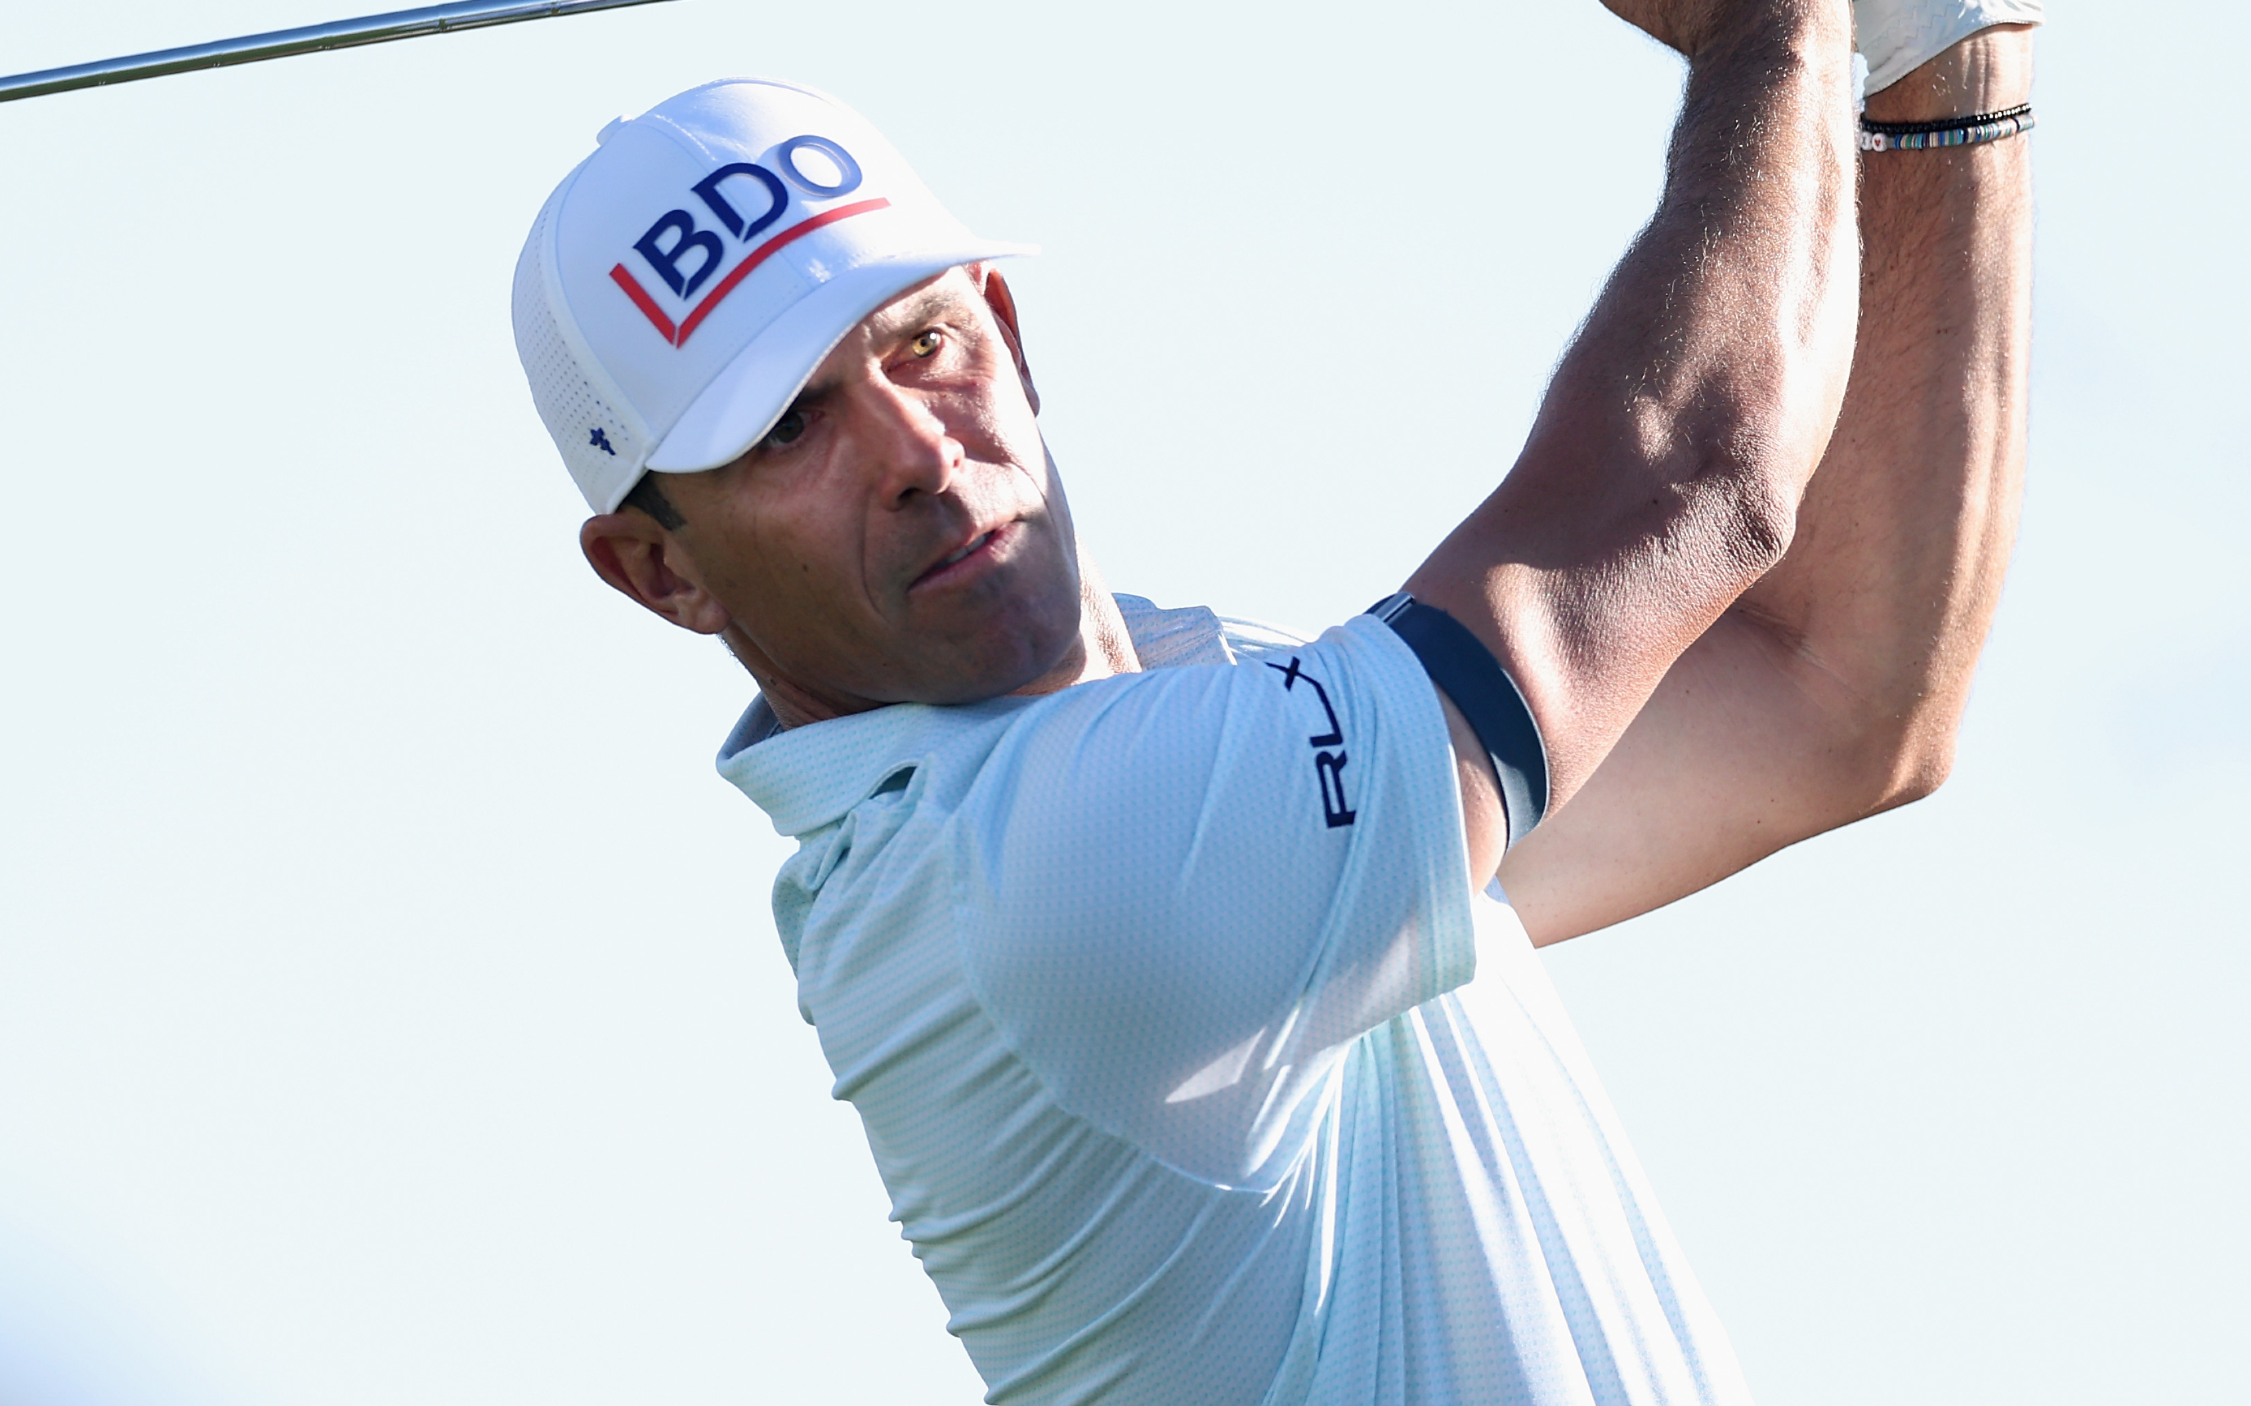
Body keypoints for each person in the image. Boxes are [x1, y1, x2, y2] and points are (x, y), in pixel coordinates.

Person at [509, 0, 2038, 1397]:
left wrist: (1939, 62)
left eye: (926, 341)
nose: (917, 447)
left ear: (1010, 332)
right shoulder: (1036, 880)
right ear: (660, 572)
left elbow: (1836, 695)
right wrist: (1774, 31)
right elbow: (1691, 477)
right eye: (788, 429)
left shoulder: (1200, 713)